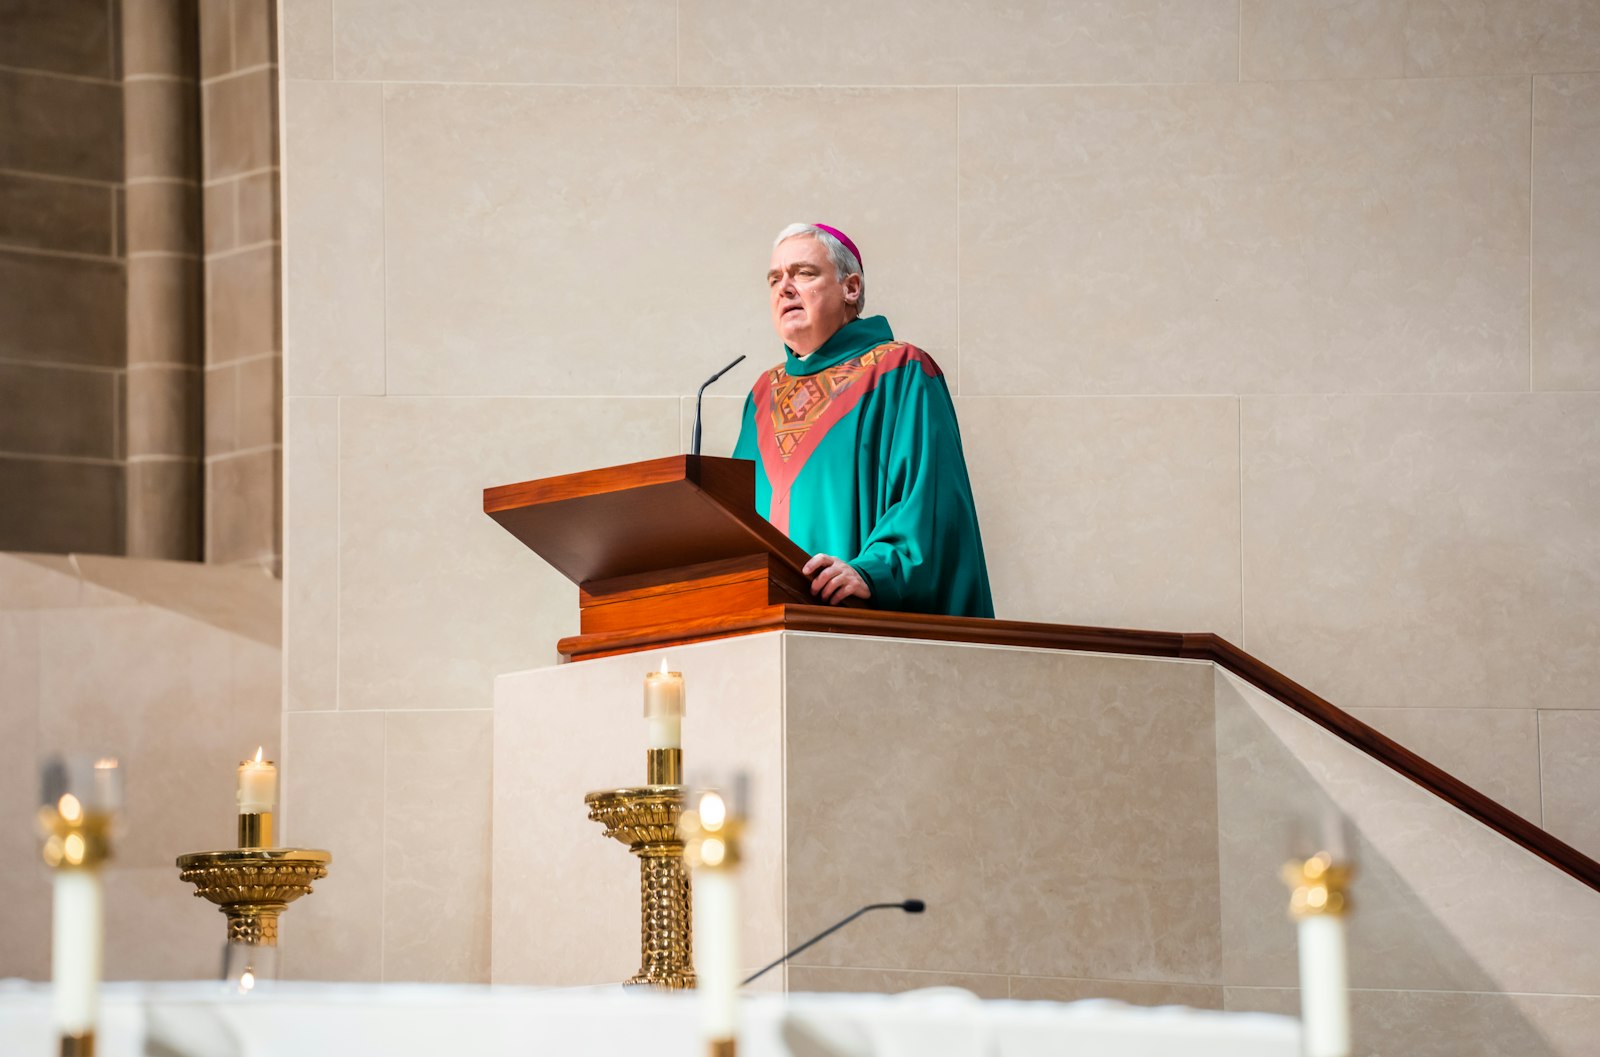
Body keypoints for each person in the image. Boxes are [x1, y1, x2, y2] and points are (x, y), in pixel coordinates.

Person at [733, 223, 994, 618]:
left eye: (803, 273)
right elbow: (737, 518)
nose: (784, 287)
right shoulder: (762, 396)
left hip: (856, 624)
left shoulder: (899, 370)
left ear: (851, 288)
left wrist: (872, 574)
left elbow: (932, 501)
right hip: (767, 628)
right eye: (774, 279)